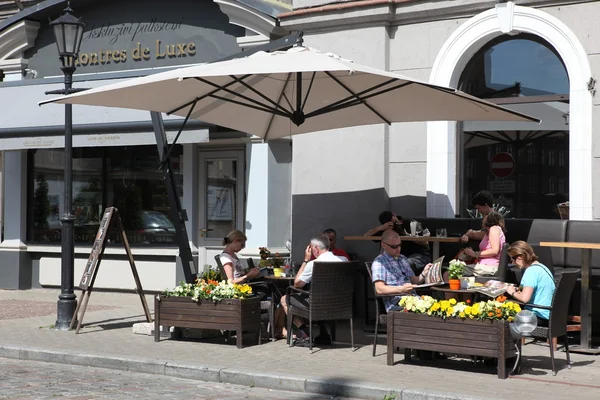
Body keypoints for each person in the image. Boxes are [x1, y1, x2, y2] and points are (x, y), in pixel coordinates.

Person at [276, 233, 348, 345]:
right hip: (340, 304)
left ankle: (305, 332)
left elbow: (297, 283)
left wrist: (305, 260)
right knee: (320, 295)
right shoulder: (344, 260)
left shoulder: (313, 264)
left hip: (317, 304)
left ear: (316, 249)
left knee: (285, 299)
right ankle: (324, 333)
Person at [371, 230, 431, 312]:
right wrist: (402, 289)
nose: (398, 249)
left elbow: (414, 280)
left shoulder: (402, 258)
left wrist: (424, 273)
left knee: (438, 308)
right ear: (383, 245)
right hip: (396, 305)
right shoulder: (380, 262)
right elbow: (379, 289)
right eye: (394, 246)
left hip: (413, 300)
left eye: (399, 245)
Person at [505, 241, 555, 325]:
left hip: (537, 316)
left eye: (513, 259)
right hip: (547, 314)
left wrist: (511, 292)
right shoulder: (542, 267)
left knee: (501, 317)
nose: (512, 262)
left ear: (521, 256)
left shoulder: (531, 271)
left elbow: (525, 299)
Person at [364, 211, 431, 274]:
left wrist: (407, 235)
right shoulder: (387, 228)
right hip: (399, 257)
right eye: (391, 224)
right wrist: (381, 228)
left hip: (418, 255)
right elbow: (366, 236)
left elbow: (425, 242)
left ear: (394, 215)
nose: (395, 225)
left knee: (404, 263)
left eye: (395, 222)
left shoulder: (410, 223)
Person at [462, 211, 506, 277]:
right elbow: (472, 233)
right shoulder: (488, 232)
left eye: (484, 217)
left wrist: (475, 254)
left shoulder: (494, 229)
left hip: (490, 267)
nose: (482, 220)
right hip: (485, 266)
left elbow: (495, 250)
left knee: (452, 271)